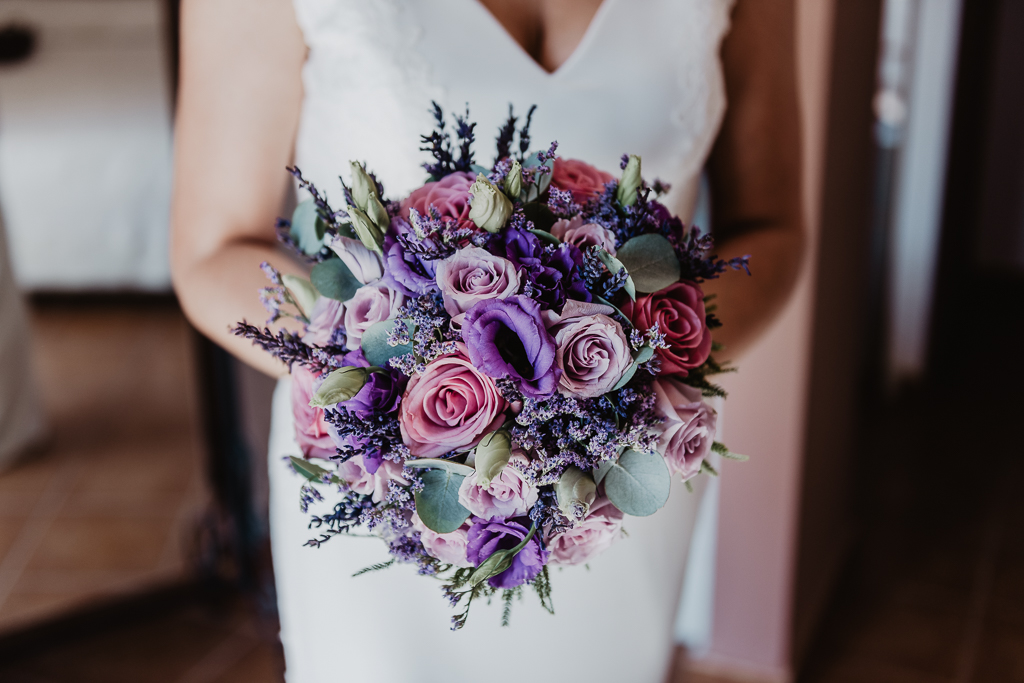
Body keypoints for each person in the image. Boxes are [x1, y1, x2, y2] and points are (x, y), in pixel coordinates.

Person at [171, 1, 805, 681]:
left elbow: (769, 226)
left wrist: (622, 380)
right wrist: (403, 379)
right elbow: (213, 252)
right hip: (385, 481)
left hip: (618, 479)